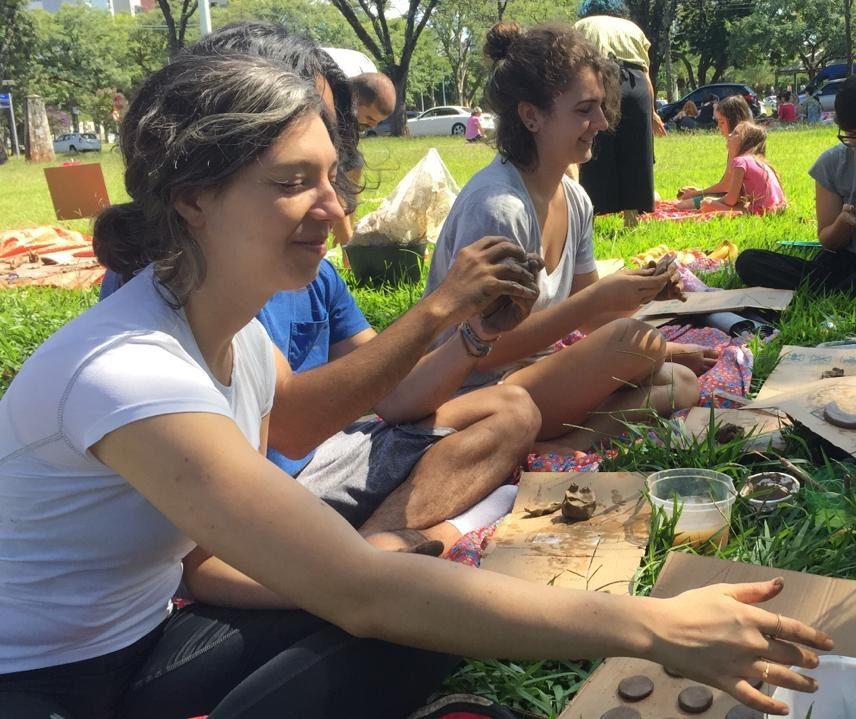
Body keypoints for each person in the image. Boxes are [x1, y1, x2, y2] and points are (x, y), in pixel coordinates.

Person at [0, 50, 833, 719]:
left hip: (146, 643)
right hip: (49, 685)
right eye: (292, 183)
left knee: (441, 612)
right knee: (406, 608)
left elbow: (290, 432)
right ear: (192, 201)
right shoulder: (130, 371)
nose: (336, 213)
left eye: (333, 178)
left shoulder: (232, 330)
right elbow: (360, 590)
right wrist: (657, 627)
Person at [99, 22, 539, 557]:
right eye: (292, 177)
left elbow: (392, 396)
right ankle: (364, 555)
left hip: (309, 474)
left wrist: (472, 333)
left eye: (328, 149)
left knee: (514, 408)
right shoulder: (180, 291)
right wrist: (440, 305)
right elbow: (287, 432)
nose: (336, 210)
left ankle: (366, 548)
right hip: (239, 510)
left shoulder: (298, 278)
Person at [426, 21, 712, 452]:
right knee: (638, 347)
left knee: (679, 381)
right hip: (475, 390)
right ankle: (533, 443)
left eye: (601, 107)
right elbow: (482, 346)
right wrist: (602, 306)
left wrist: (643, 295)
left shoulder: (575, 198)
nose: (601, 122)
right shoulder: (499, 208)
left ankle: (563, 442)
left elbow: (594, 316)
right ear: (531, 116)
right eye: (584, 110)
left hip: (533, 375)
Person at [735, 76, 856, 293]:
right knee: (749, 261)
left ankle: (835, 291)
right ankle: (839, 290)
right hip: (843, 260)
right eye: (852, 136)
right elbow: (829, 241)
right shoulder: (832, 163)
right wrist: (843, 223)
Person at [574, 0, 667, 226]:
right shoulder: (633, 28)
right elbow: (645, 75)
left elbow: (575, 65)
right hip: (637, 88)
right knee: (637, 151)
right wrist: (652, 112)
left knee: (596, 148)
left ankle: (591, 216)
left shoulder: (582, 25)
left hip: (601, 80)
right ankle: (631, 219)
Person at [331, 71, 397, 251]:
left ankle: (347, 240)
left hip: (341, 166)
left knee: (355, 163)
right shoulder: (330, 109)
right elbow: (335, 182)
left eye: (378, 122)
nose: (372, 126)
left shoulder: (350, 118)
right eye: (369, 118)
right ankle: (347, 249)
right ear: (354, 99)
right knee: (340, 182)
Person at [674, 121, 786, 215]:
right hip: (778, 209)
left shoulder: (740, 161)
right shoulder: (758, 161)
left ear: (746, 141)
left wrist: (713, 200)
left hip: (760, 211)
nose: (729, 135)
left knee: (706, 204)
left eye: (735, 133)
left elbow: (731, 199)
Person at [678, 95, 752, 203]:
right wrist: (701, 191)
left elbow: (727, 186)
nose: (718, 127)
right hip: (738, 196)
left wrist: (697, 193)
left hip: (738, 200)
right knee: (687, 200)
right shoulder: (749, 139)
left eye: (722, 122)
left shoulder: (737, 146)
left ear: (735, 121)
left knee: (683, 204)